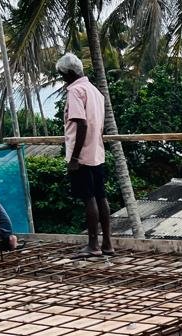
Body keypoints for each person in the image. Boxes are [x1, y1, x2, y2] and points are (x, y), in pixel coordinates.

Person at [56, 52, 113, 260]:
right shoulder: (95, 91)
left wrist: (74, 158)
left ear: (70, 73)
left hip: (82, 155)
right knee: (101, 196)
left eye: (62, 74)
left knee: (88, 198)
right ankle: (107, 243)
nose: (62, 78)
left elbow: (81, 124)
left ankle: (93, 245)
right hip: (96, 152)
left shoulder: (75, 91)